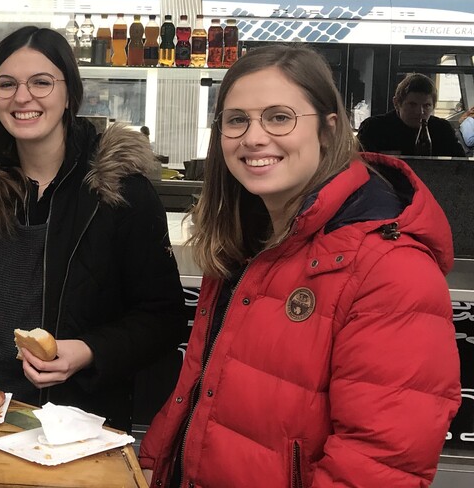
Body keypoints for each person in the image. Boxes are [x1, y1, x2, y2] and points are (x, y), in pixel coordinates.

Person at [139, 46, 460, 487]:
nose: (253, 137)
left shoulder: (391, 269)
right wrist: (155, 463)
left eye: (278, 117)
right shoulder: (247, 243)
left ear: (328, 130)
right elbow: (202, 388)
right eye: (237, 120)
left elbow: (380, 465)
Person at [0, 26, 186, 429]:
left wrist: (88, 350)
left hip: (71, 422)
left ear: (70, 94)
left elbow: (163, 318)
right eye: (7, 84)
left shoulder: (119, 191)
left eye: (42, 82)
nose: (22, 97)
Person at [356, 73, 465, 156]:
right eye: (412, 105)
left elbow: (461, 166)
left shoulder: (443, 130)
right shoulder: (373, 128)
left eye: (426, 106)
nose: (420, 112)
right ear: (396, 103)